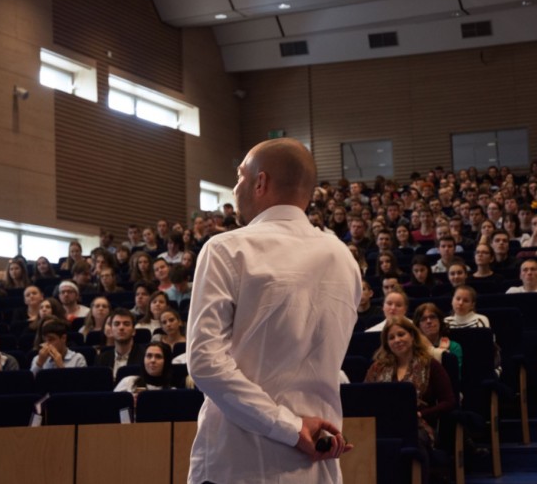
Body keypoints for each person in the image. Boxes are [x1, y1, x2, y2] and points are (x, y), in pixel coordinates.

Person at [187, 138, 360, 483]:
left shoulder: (226, 248)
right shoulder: (344, 258)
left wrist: (291, 428)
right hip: (316, 462)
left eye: (239, 177)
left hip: (240, 463)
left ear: (260, 182)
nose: (236, 187)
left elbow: (205, 363)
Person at [364, 317, 455, 467]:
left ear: (412, 336)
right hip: (383, 424)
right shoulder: (377, 368)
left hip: (418, 425)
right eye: (391, 337)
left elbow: (449, 401)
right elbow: (365, 399)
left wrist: (422, 414)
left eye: (401, 334)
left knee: (414, 441)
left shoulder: (430, 364)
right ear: (386, 343)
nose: (397, 340)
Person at [95, 308, 145, 377]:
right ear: (111, 330)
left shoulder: (145, 356)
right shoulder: (101, 359)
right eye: (117, 324)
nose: (121, 327)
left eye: (126, 324)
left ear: (134, 331)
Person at [413, 303, 463, 373]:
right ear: (418, 326)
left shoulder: (454, 347)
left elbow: (456, 377)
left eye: (432, 317)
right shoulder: (413, 348)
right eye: (423, 319)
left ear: (440, 321)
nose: (428, 321)